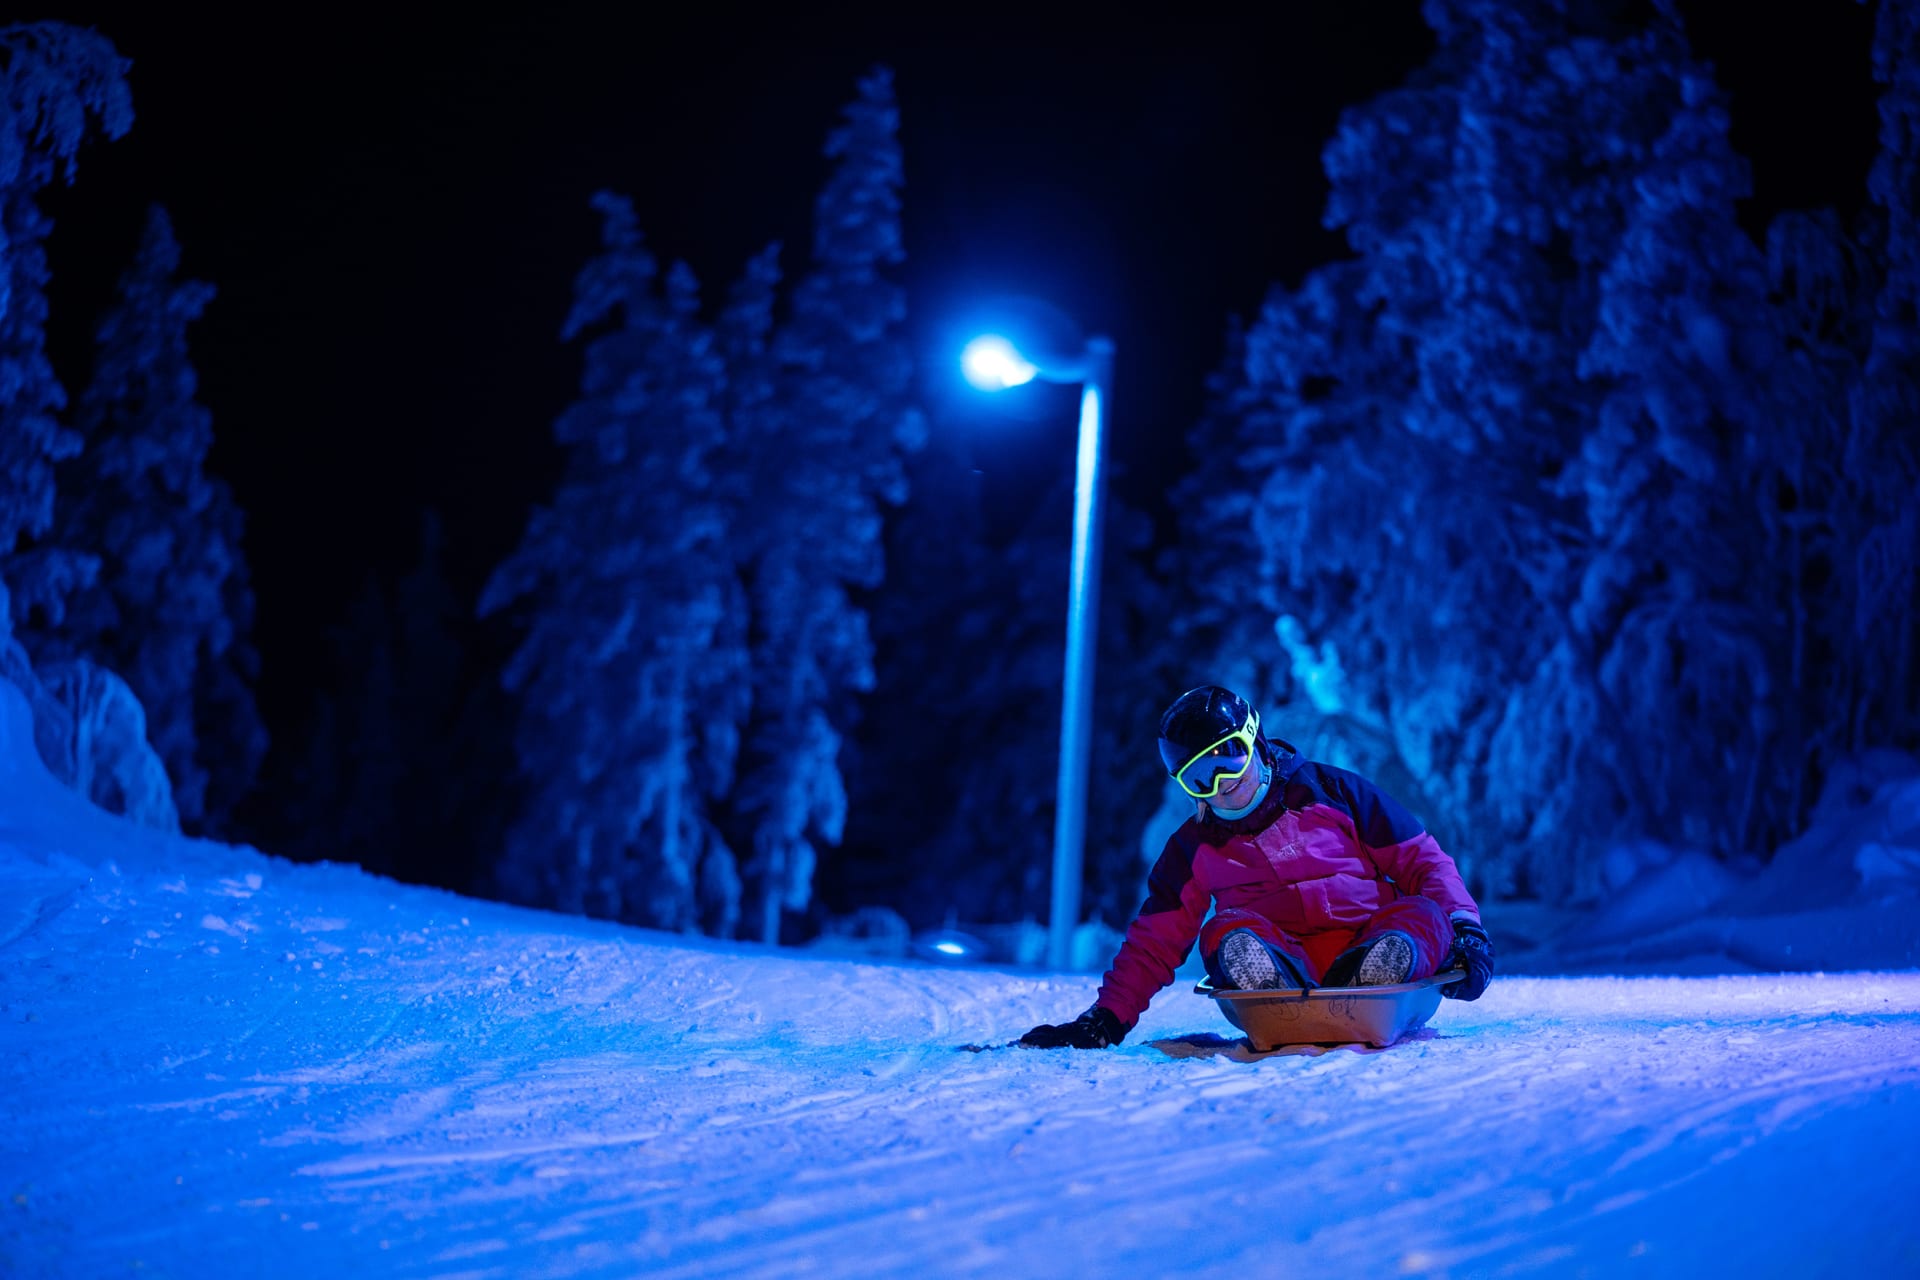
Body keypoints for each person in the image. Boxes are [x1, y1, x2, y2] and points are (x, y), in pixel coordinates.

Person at [1021, 685, 1494, 1049]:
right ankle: (1272, 983)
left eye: (1229, 759)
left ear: (1254, 739)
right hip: (1288, 961)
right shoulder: (1195, 848)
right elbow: (1154, 943)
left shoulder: (1334, 793)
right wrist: (1106, 1020)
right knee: (1225, 931)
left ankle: (1380, 970)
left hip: (1369, 934)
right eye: (1200, 778)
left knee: (1422, 914)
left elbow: (1422, 861)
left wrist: (1466, 932)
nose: (1221, 785)